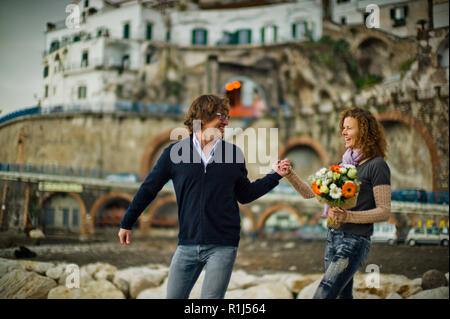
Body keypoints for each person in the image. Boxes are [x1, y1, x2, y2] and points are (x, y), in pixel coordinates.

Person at [118, 94, 290, 299]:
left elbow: (245, 195)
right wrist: (127, 222)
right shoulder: (174, 153)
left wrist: (274, 176)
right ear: (201, 117)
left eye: (227, 117)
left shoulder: (234, 154)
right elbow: (148, 189)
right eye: (221, 116)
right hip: (186, 244)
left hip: (223, 245)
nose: (226, 122)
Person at [284, 106, 391, 299]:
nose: (343, 132)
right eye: (343, 127)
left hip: (354, 241)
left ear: (364, 131)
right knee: (342, 297)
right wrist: (290, 174)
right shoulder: (343, 165)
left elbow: (384, 211)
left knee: (323, 294)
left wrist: (348, 215)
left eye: (349, 128)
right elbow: (310, 193)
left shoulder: (377, 166)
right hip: (333, 237)